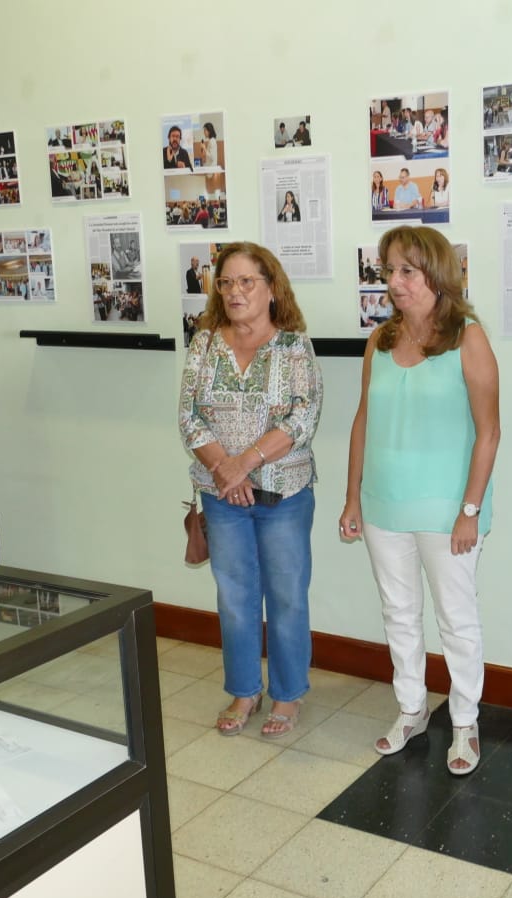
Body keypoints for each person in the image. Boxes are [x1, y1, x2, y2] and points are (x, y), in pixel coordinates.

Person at [339, 226, 500, 776]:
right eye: (389, 270)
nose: (394, 282)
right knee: (399, 613)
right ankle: (411, 709)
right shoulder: (380, 340)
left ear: (436, 274)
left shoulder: (468, 338)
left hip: (447, 510)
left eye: (407, 271)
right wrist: (353, 497)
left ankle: (465, 720)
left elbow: (489, 432)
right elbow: (364, 419)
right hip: (383, 505)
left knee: (456, 618)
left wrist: (470, 510)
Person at [178, 242, 323, 739]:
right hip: (222, 497)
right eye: (226, 282)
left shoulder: (294, 347)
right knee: (235, 597)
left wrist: (244, 464)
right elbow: (189, 417)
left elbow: (302, 418)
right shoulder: (204, 344)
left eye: (246, 281)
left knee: (286, 597)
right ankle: (244, 690)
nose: (235, 291)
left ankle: (287, 694)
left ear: (271, 288)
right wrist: (225, 471)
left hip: (284, 495)